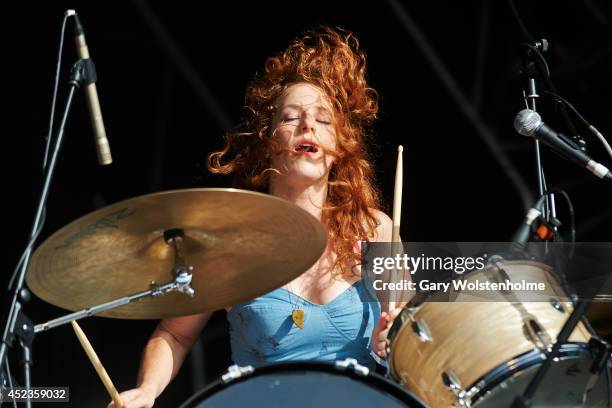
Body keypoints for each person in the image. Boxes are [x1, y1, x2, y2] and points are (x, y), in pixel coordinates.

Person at [110, 26, 411, 408]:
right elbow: (175, 334)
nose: (307, 125)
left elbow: (412, 337)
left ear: (339, 148)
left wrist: (393, 342)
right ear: (267, 142)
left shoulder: (375, 228)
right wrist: (147, 390)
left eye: (322, 120)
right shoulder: (230, 242)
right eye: (290, 117)